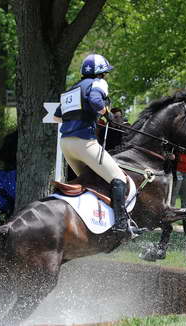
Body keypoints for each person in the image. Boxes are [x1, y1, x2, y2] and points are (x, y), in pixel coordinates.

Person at [54, 54, 136, 235]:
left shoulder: (71, 89)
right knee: (118, 178)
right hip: (84, 143)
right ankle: (121, 224)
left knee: (88, 182)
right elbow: (96, 101)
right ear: (101, 74)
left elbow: (57, 115)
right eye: (105, 74)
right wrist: (107, 114)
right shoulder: (98, 83)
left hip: (66, 144)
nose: (106, 77)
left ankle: (88, 222)